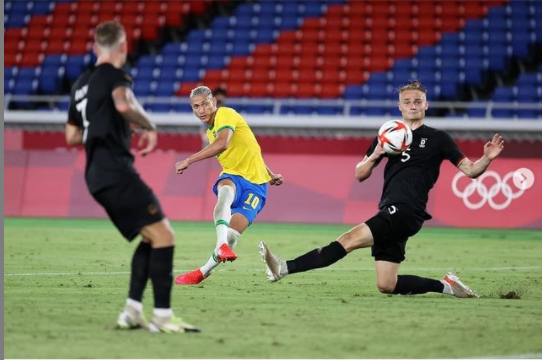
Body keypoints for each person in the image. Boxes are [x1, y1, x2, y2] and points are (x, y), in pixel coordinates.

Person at [260, 80, 504, 298]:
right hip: (389, 208)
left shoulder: (438, 138)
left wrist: (487, 158)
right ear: (399, 106)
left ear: (426, 105)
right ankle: (447, 286)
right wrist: (377, 152)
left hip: (408, 209)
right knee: (387, 284)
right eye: (407, 101)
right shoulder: (387, 136)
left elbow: (471, 171)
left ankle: (285, 267)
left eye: (418, 101)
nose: (412, 105)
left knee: (348, 239)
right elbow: (360, 175)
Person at [65, 21, 200, 333]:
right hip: (115, 170)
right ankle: (164, 317)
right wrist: (148, 124)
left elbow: (72, 135)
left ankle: (132, 312)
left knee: (151, 236)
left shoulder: (81, 83)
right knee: (165, 235)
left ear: (95, 46)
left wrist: (102, 127)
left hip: (95, 173)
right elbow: (124, 102)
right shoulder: (114, 76)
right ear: (123, 47)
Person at [174, 85, 284, 285]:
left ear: (214, 102)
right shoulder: (210, 132)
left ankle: (203, 270)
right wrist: (271, 173)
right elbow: (250, 148)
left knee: (233, 235)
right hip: (234, 176)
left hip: (256, 187)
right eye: (196, 106)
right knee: (225, 191)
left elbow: (223, 143)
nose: (201, 110)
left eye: (205, 104)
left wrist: (188, 160)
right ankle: (220, 246)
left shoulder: (225, 114)